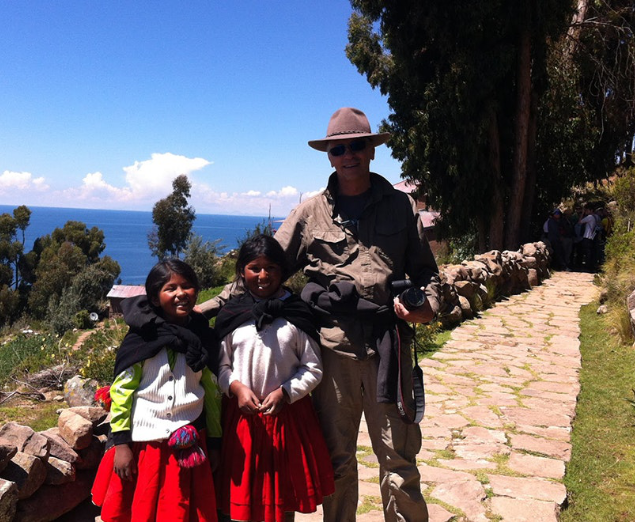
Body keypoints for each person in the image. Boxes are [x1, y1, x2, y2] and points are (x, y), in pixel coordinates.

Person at [201, 107, 440, 522]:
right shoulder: (309, 214)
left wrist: (425, 307)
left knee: (399, 462)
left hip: (390, 350)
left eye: (357, 145)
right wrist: (195, 310)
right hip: (330, 353)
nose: (348, 154)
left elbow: (427, 274)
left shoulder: (401, 208)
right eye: (338, 148)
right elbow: (262, 272)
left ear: (372, 150)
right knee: (338, 461)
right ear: (329, 156)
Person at [214, 234, 335, 522]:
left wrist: (286, 392)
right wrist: (236, 387)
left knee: (281, 501)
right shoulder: (232, 314)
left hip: (287, 421)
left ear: (282, 271)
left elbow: (313, 367)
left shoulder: (296, 315)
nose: (263, 275)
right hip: (242, 422)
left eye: (271, 268)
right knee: (241, 498)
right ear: (242, 270)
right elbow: (220, 365)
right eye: (255, 268)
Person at [92, 259, 221, 522]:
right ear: (154, 296)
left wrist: (216, 441)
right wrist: (122, 444)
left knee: (182, 510)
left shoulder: (202, 338)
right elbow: (122, 393)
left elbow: (213, 393)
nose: (180, 294)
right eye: (170, 288)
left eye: (187, 286)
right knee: (143, 509)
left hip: (189, 445)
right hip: (145, 447)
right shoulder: (142, 338)